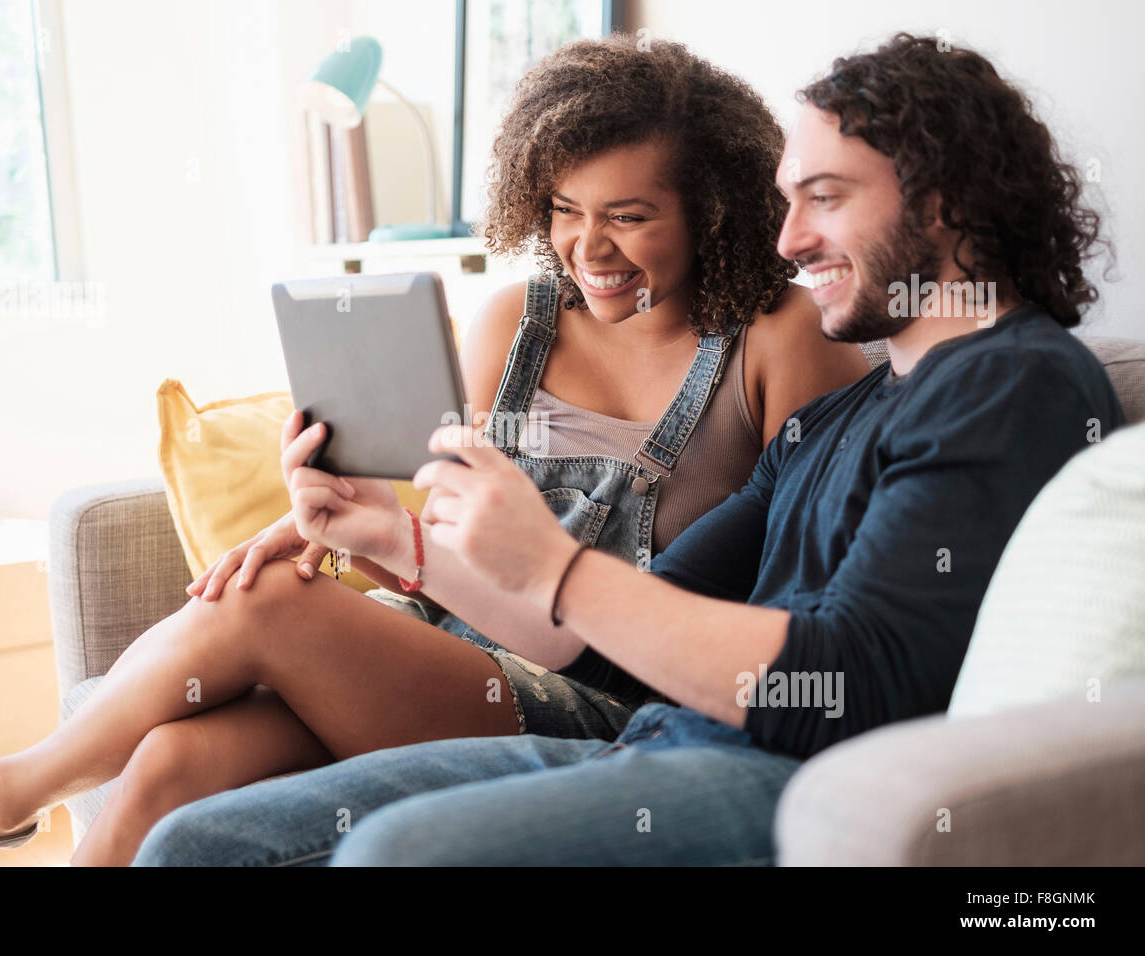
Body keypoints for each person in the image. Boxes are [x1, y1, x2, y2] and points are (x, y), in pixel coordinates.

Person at [0, 37, 866, 866]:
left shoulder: (777, 342)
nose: (587, 249)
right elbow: (445, 538)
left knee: (267, 599)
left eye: (629, 218)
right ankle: (10, 796)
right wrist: (334, 523)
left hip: (614, 700)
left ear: (715, 207)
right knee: (166, 766)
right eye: (563, 212)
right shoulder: (512, 315)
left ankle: (0, 790)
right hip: (450, 640)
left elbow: (790, 601)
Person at [128, 32, 1127, 866]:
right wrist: (400, 540)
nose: (786, 240)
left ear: (942, 202)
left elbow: (853, 681)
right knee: (198, 839)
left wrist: (560, 561)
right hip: (653, 739)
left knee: (394, 854)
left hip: (784, 778)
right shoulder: (842, 413)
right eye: (785, 201)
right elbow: (592, 644)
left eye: (824, 197)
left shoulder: (1014, 382)